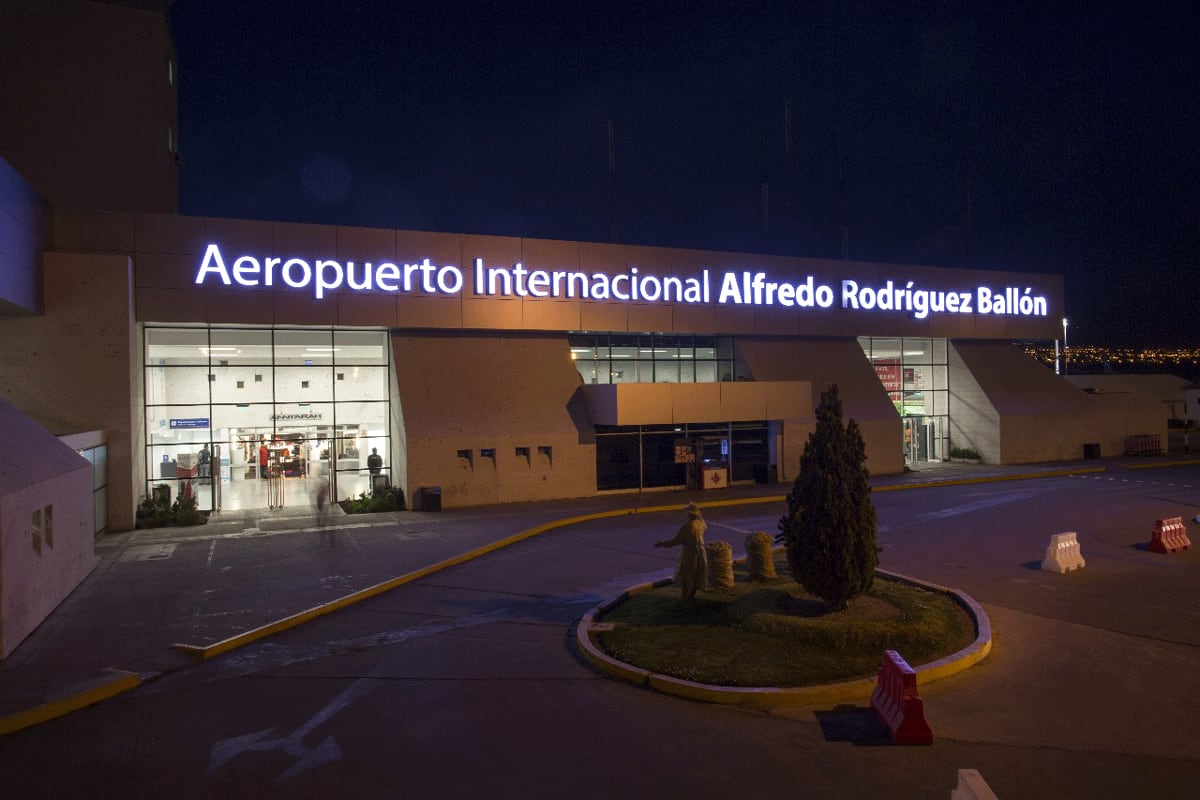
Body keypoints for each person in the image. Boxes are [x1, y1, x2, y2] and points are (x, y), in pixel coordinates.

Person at [654, 502, 709, 602]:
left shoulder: (687, 526)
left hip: (689, 553)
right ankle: (689, 597)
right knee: (696, 575)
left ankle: (684, 598)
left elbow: (676, 541)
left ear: (690, 514)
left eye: (687, 513)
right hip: (701, 552)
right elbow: (703, 524)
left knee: (685, 575)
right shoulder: (701, 524)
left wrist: (662, 544)